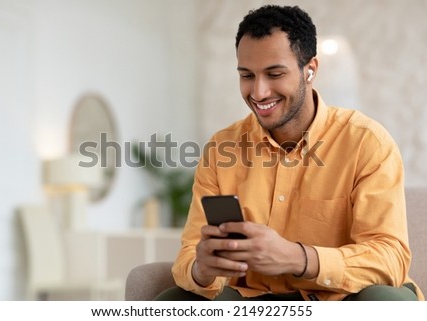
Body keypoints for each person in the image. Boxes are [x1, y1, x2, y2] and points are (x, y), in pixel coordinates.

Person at [155, 4, 423, 301]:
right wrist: (202, 270)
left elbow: (389, 258)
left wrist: (298, 258)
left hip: (339, 297)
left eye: (274, 74)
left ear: (310, 70)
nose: (258, 92)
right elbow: (189, 255)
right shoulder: (222, 149)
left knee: (389, 302)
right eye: (247, 76)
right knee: (172, 301)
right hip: (255, 299)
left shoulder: (366, 143)